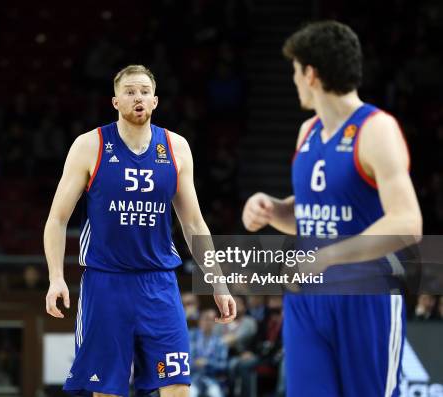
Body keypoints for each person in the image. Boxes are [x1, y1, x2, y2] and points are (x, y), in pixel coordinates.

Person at [241, 21, 422, 396]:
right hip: (307, 299)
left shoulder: (377, 129)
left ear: (311, 73)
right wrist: (273, 211)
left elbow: (407, 223)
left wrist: (328, 258)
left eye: (294, 71)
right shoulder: (307, 132)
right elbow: (310, 215)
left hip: (365, 296)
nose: (293, 81)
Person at [44, 64, 236, 397]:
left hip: (159, 282)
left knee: (177, 386)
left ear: (156, 101)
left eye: (145, 92)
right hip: (106, 282)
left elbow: (193, 224)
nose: (138, 98)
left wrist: (218, 282)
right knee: (107, 391)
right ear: (115, 101)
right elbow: (57, 219)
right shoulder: (90, 145)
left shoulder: (175, 148)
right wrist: (56, 277)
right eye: (130, 91)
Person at [189, 309, 228, 397]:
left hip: (211, 379)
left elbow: (223, 365)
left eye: (212, 320)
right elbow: (183, 360)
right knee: (191, 394)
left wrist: (208, 363)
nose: (208, 322)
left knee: (216, 394)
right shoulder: (190, 337)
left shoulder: (220, 342)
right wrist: (194, 363)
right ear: (200, 321)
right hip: (192, 378)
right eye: (206, 319)